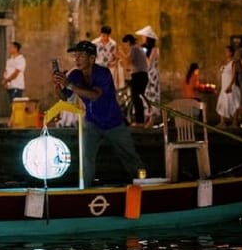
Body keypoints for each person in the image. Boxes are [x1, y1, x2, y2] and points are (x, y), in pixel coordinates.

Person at [52, 40, 145, 185]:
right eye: (75, 56)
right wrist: (57, 85)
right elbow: (64, 97)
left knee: (131, 157)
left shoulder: (103, 73)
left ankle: (144, 182)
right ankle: (86, 190)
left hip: (114, 123)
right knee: (86, 158)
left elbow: (94, 95)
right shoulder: (75, 74)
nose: (76, 59)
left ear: (92, 58)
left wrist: (69, 85)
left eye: (81, 56)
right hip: (92, 122)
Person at [121, 33, 149, 126]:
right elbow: (132, 64)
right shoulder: (137, 48)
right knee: (137, 97)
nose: (125, 46)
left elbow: (128, 61)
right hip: (141, 75)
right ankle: (140, 120)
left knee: (136, 97)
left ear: (128, 42)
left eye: (125, 43)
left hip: (139, 76)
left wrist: (120, 53)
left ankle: (139, 121)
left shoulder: (134, 48)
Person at [136, 25, 161, 128]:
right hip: (146, 74)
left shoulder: (155, 49)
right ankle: (147, 117)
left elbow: (149, 63)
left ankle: (152, 119)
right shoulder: (144, 48)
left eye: (144, 36)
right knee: (145, 95)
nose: (142, 38)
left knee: (153, 97)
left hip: (153, 76)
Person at [216, 45, 241, 127]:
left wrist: (230, 86)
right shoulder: (224, 64)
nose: (225, 53)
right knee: (222, 103)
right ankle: (222, 122)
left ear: (231, 52)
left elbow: (234, 75)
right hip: (224, 87)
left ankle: (235, 122)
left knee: (233, 103)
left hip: (230, 86)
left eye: (227, 51)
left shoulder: (233, 63)